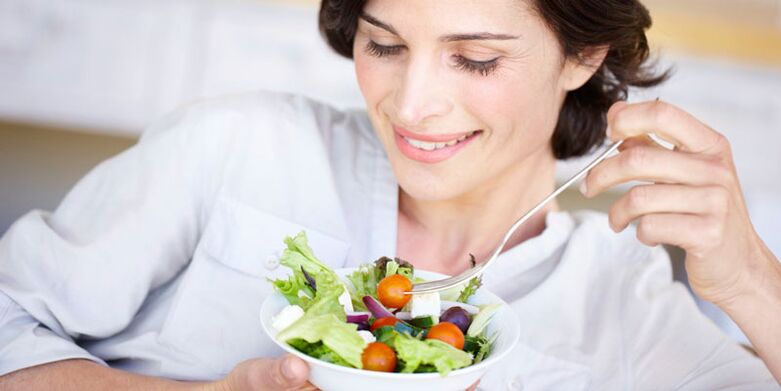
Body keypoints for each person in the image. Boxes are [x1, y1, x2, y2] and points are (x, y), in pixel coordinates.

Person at [1, 0, 779, 389]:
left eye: (474, 59)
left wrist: (751, 282)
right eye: (384, 45)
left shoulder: (622, 300)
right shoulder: (233, 146)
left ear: (581, 54)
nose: (410, 107)